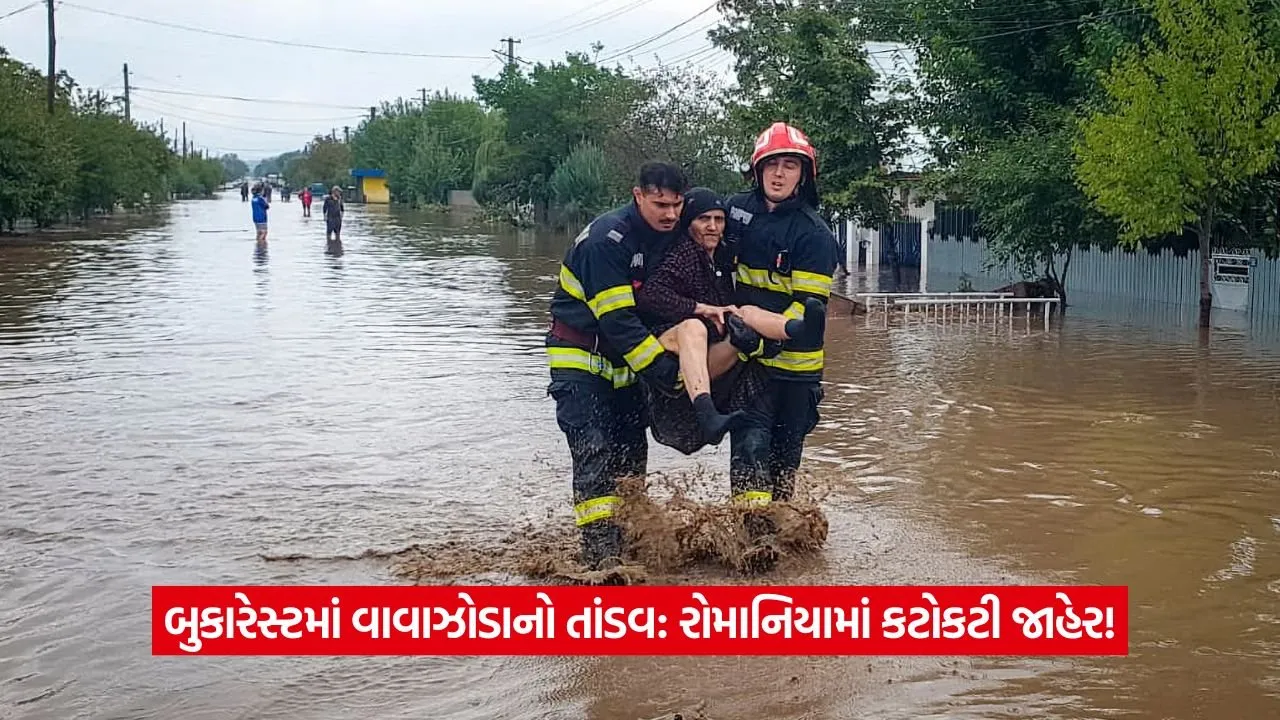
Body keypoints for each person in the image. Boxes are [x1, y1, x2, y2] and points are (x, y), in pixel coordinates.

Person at [545, 162, 688, 575]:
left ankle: (629, 541)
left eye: (677, 206)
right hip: (580, 359)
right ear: (637, 195)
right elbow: (619, 321)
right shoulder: (607, 240)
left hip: (624, 365)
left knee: (631, 456)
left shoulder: (667, 236)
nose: (670, 214)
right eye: (660, 204)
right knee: (594, 452)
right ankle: (600, 561)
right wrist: (665, 372)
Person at [724, 122, 839, 569]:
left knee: (782, 466)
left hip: (797, 372)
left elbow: (808, 320)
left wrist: (762, 328)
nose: (779, 174)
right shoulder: (732, 212)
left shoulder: (813, 235)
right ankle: (754, 554)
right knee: (749, 452)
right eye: (771, 164)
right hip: (749, 366)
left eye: (789, 165)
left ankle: (776, 539)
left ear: (803, 174)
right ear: (757, 170)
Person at [635, 187, 825, 451]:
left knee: (745, 313)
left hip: (710, 352)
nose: (712, 227)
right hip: (672, 348)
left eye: (719, 219)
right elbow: (649, 296)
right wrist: (698, 308)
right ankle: (706, 413)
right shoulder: (682, 254)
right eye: (704, 220)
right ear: (689, 223)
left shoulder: (723, 258)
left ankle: (798, 329)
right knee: (694, 328)